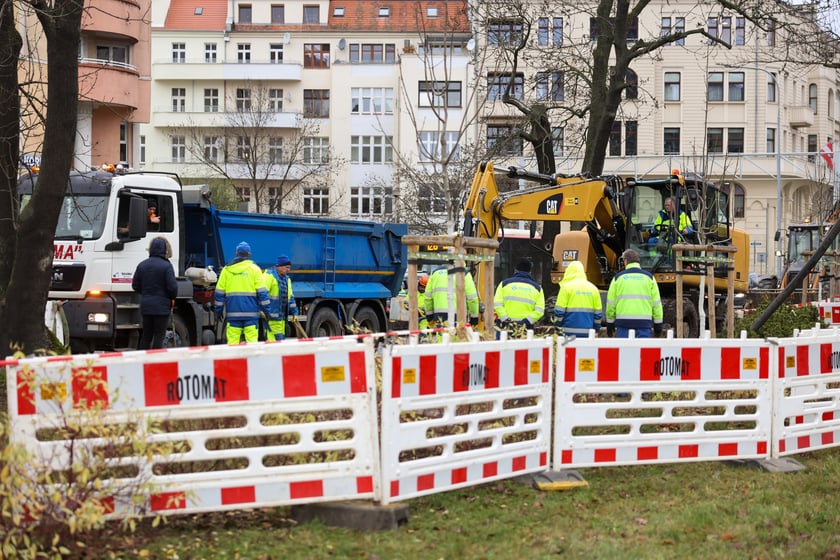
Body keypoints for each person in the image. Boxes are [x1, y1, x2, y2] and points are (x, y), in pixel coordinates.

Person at [214, 241, 270, 344]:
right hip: (251, 315)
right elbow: (262, 293)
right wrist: (267, 311)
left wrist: (218, 311)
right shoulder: (255, 270)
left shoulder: (226, 270)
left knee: (233, 344)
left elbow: (219, 293)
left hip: (233, 315)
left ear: (236, 254)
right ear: (249, 255)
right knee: (252, 344)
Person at [132, 237, 178, 349]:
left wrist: (146, 293)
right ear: (164, 250)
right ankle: (155, 362)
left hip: (146, 306)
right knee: (159, 335)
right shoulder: (167, 266)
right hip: (162, 308)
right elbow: (172, 287)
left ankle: (142, 360)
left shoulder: (142, 265)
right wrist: (171, 297)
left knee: (146, 336)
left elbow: (135, 285)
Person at [605, 249, 663, 338]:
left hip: (623, 324)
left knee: (624, 351)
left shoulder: (617, 278)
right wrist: (658, 325)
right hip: (644, 324)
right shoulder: (649, 278)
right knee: (642, 351)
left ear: (626, 261)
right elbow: (656, 304)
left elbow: (611, 304)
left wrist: (610, 323)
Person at [494, 258, 545, 333]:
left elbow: (497, 305)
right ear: (530, 271)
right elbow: (539, 311)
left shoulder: (503, 284)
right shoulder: (537, 289)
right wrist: (525, 322)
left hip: (505, 327)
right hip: (525, 330)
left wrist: (506, 320)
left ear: (515, 270)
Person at [553, 260, 603, 337]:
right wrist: (596, 329)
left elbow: (559, 312)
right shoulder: (594, 289)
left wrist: (557, 327)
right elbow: (598, 314)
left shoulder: (566, 288)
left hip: (567, 333)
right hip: (588, 333)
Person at [263, 254, 298, 341]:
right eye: (286, 267)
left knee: (279, 342)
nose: (288, 270)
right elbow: (262, 295)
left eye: (289, 267)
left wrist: (295, 313)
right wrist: (264, 311)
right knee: (275, 342)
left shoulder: (287, 280)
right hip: (271, 318)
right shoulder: (269, 276)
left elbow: (291, 298)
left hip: (281, 319)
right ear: (279, 266)